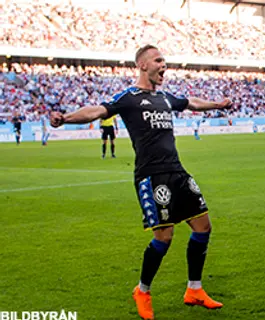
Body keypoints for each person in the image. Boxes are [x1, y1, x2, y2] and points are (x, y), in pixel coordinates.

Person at [49, 44, 233, 320]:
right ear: (143, 65)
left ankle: (194, 289)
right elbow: (96, 110)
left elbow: (191, 102)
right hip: (152, 175)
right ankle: (143, 291)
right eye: (159, 60)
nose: (164, 65)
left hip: (177, 171)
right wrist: (65, 119)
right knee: (164, 236)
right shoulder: (129, 98)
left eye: (165, 61)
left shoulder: (165, 97)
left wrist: (216, 105)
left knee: (203, 226)